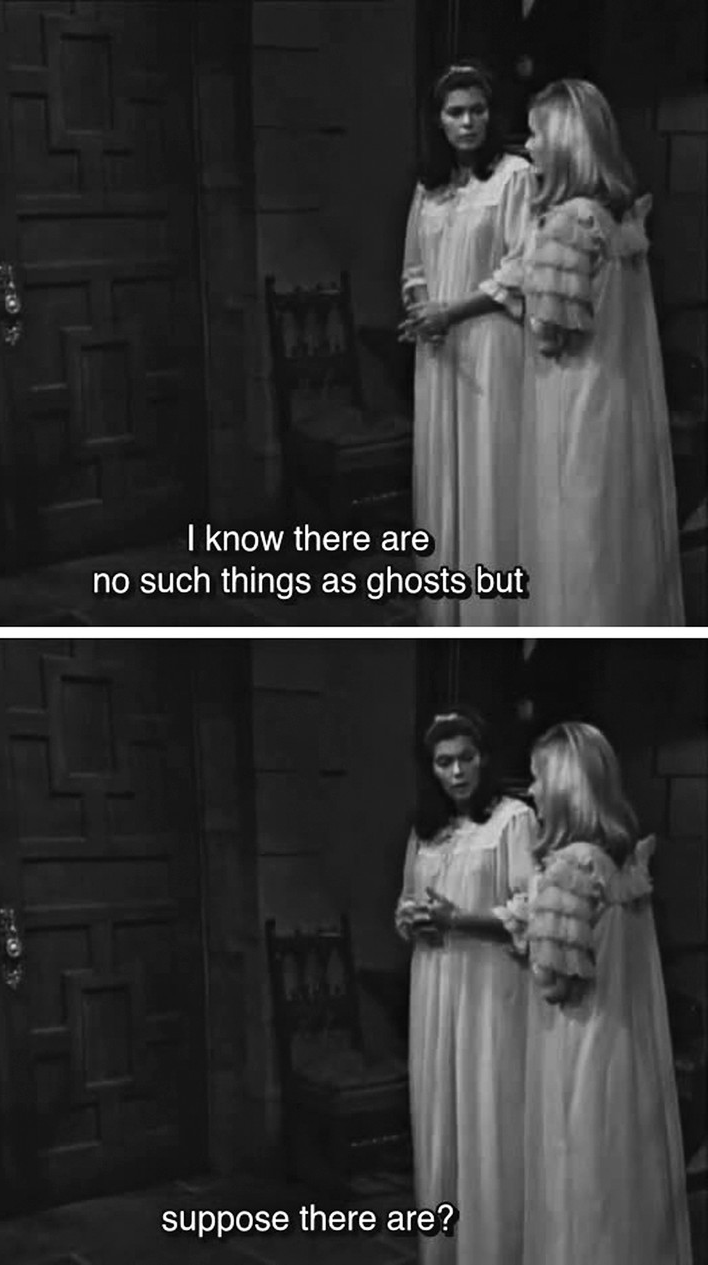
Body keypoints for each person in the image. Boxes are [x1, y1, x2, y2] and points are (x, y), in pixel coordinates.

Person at [485, 78, 684, 624]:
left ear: (565, 141)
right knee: (610, 527)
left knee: (573, 527)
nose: (529, 146)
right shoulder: (616, 215)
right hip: (618, 396)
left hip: (574, 397)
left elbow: (552, 334)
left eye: (536, 134)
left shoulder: (570, 222)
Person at [495, 722, 693, 1264]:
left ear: (564, 785)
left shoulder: (572, 868)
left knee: (578, 1179)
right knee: (616, 1183)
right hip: (624, 1048)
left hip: (580, 1047)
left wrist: (527, 933)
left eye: (538, 777)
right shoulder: (620, 862)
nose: (532, 791)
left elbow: (557, 982)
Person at [395, 708, 536, 1264]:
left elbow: (531, 912)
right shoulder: (426, 831)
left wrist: (460, 920)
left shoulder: (512, 821)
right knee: (440, 1113)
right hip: (435, 982)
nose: (456, 772)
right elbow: (406, 901)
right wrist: (414, 919)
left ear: (485, 759)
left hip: (489, 984)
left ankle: (495, 1249)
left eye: (466, 759)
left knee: (487, 1110)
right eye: (444, 762)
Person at [399, 63, 534, 627]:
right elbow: (413, 267)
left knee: (487, 464)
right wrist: (424, 312)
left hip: (490, 340)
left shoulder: (514, 177)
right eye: (456, 112)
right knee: (442, 466)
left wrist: (451, 311)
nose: (468, 121)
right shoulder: (429, 187)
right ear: (439, 120)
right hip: (438, 347)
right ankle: (445, 602)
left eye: (477, 110)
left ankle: (492, 609)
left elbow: (521, 268)